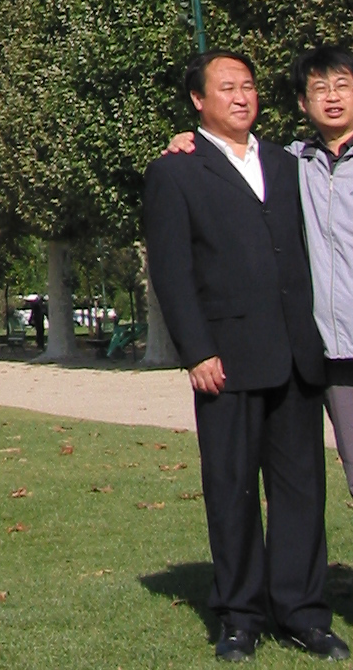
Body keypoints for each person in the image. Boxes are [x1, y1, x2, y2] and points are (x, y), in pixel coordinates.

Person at [144, 49, 342, 662]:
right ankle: (239, 615)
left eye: (249, 86)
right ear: (199, 101)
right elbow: (172, 272)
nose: (242, 97)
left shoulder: (289, 164)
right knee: (231, 490)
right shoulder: (175, 171)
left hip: (296, 356)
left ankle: (303, 612)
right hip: (225, 361)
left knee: (302, 492)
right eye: (227, 88)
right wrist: (196, 349)